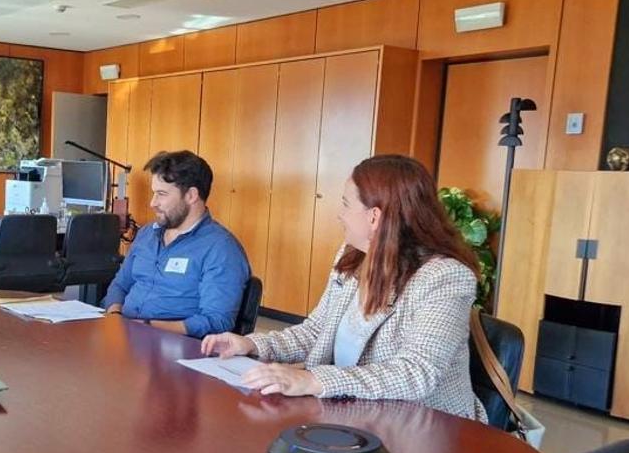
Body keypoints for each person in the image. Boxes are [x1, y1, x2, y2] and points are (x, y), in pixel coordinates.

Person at [202, 154, 487, 422]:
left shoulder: (445, 277)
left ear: (374, 217)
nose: (339, 214)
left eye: (346, 204)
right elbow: (316, 331)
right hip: (354, 415)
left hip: (428, 426)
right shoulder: (353, 256)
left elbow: (416, 373)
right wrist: (252, 344)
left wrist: (315, 380)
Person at [101, 150, 250, 338]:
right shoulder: (147, 234)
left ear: (191, 195)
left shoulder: (221, 248)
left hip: (172, 348)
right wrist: (115, 316)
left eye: (161, 194)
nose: (152, 203)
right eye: (154, 193)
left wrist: (146, 326)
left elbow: (216, 320)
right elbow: (120, 285)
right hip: (125, 338)